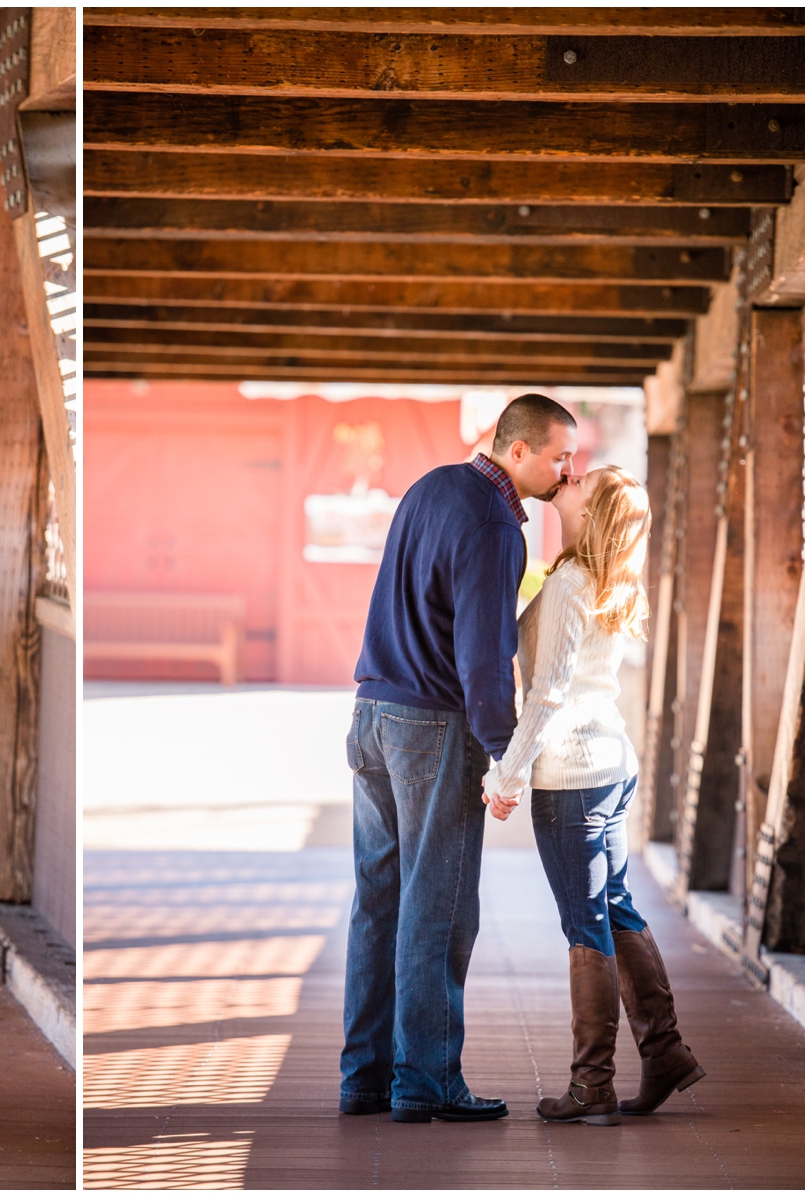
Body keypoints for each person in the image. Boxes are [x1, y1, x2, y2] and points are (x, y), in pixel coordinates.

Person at [339, 393, 577, 1123]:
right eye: (558, 456)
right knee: (441, 907)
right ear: (517, 449)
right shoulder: (497, 525)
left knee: (378, 900)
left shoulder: (429, 486)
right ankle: (427, 1081)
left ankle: (365, 1078)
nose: (566, 473)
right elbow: (483, 657)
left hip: (372, 713)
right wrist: (504, 754)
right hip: (432, 725)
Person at [484, 467, 705, 1126]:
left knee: (587, 924)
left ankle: (592, 1083)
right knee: (612, 904)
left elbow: (548, 691)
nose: (570, 476)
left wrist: (507, 775)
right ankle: (664, 1052)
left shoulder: (575, 582)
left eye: (585, 478)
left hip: (575, 776)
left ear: (594, 511)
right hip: (608, 764)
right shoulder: (593, 576)